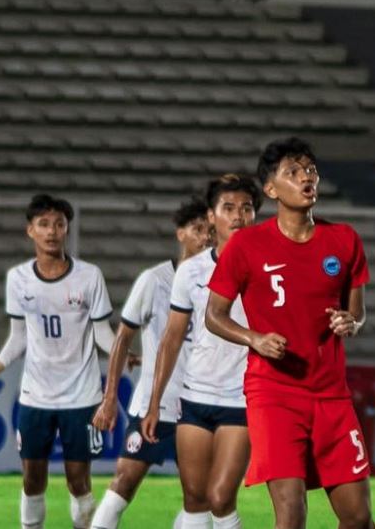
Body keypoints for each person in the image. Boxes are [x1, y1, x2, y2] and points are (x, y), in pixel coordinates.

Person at [205, 137, 375, 529]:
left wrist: (351, 322)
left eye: (310, 171)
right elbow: (214, 315)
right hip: (274, 393)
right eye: (293, 173)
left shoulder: (344, 240)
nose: (306, 179)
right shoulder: (247, 244)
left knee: (359, 517)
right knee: (292, 513)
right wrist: (254, 338)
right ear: (271, 188)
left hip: (332, 394)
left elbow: (357, 311)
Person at [0, 193, 116, 529]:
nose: (52, 231)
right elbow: (19, 336)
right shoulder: (18, 279)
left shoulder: (89, 276)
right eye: (44, 224)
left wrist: (124, 352)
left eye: (59, 224)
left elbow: (102, 333)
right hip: (36, 396)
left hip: (82, 397)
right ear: (30, 231)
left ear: (67, 230)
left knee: (78, 481)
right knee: (32, 480)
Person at [142, 174, 261, 529]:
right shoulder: (192, 270)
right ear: (211, 217)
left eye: (246, 208)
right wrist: (154, 402)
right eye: (228, 208)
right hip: (194, 397)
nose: (238, 216)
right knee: (194, 498)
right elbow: (172, 338)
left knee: (221, 497)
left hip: (241, 398)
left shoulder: (267, 266)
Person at [90, 196, 213, 528]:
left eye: (209, 231)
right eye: (198, 229)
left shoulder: (217, 284)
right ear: (180, 234)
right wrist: (109, 397)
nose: (205, 238)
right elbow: (122, 337)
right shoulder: (154, 280)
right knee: (124, 482)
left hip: (199, 405)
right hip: (155, 404)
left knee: (200, 496)